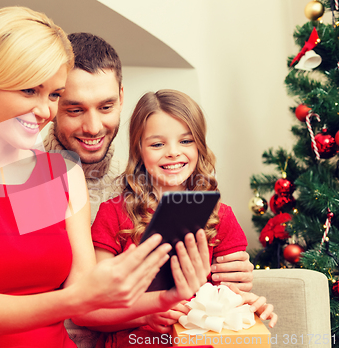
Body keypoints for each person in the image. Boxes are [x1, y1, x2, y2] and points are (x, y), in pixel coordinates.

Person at [0, 31, 253, 346]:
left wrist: (195, 293)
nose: (44, 111)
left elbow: (69, 285)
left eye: (53, 96)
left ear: (122, 96)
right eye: (70, 106)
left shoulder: (78, 178)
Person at [89, 90, 277, 347]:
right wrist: (145, 313)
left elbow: (228, 299)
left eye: (186, 141)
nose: (173, 152)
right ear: (138, 149)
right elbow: (92, 312)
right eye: (157, 144)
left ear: (200, 144)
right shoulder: (113, 214)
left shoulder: (221, 217)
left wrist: (248, 306)